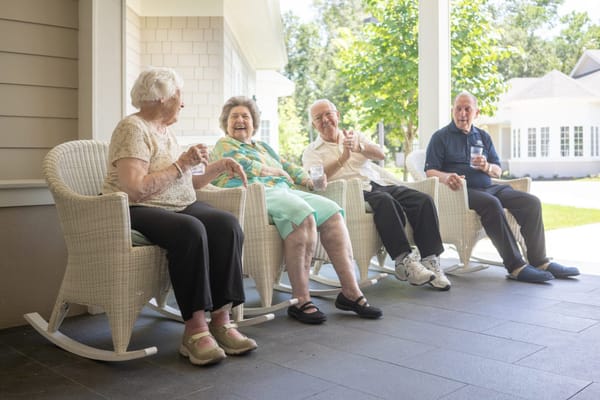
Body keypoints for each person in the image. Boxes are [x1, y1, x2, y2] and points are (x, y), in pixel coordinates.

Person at [102, 67, 257, 366]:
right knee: (190, 229)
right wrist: (181, 163)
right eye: (179, 96)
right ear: (161, 98)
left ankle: (222, 321)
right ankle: (195, 330)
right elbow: (134, 189)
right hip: (135, 210)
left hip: (176, 204)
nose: (182, 103)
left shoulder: (165, 131)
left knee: (226, 225)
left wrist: (218, 165)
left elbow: (187, 183)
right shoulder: (133, 128)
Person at [211, 96, 383, 324]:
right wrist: (271, 172)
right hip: (254, 193)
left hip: (283, 191)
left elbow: (289, 167)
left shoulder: (264, 147)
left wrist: (311, 181)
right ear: (226, 123)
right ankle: (301, 299)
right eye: (235, 117)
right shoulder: (225, 144)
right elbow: (240, 164)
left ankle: (350, 292)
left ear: (254, 123)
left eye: (246, 116)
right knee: (302, 213)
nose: (240, 120)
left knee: (332, 211)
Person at [424, 91, 580, 283]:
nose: (462, 113)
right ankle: (515, 266)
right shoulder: (441, 137)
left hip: (489, 187)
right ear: (452, 111)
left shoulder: (483, 136)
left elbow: (498, 170)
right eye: (458, 108)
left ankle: (539, 261)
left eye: (467, 109)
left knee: (531, 202)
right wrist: (447, 177)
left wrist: (486, 166)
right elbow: (430, 171)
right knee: (491, 203)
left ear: (476, 113)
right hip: (461, 192)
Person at [304, 99, 451, 291]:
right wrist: (342, 159)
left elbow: (380, 154)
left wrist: (360, 148)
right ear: (314, 124)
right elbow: (316, 182)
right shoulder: (311, 152)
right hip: (349, 193)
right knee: (385, 201)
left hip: (377, 184)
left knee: (423, 200)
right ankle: (403, 260)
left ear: (337, 115)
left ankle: (431, 259)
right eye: (318, 117)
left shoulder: (354, 136)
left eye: (328, 114)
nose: (325, 119)